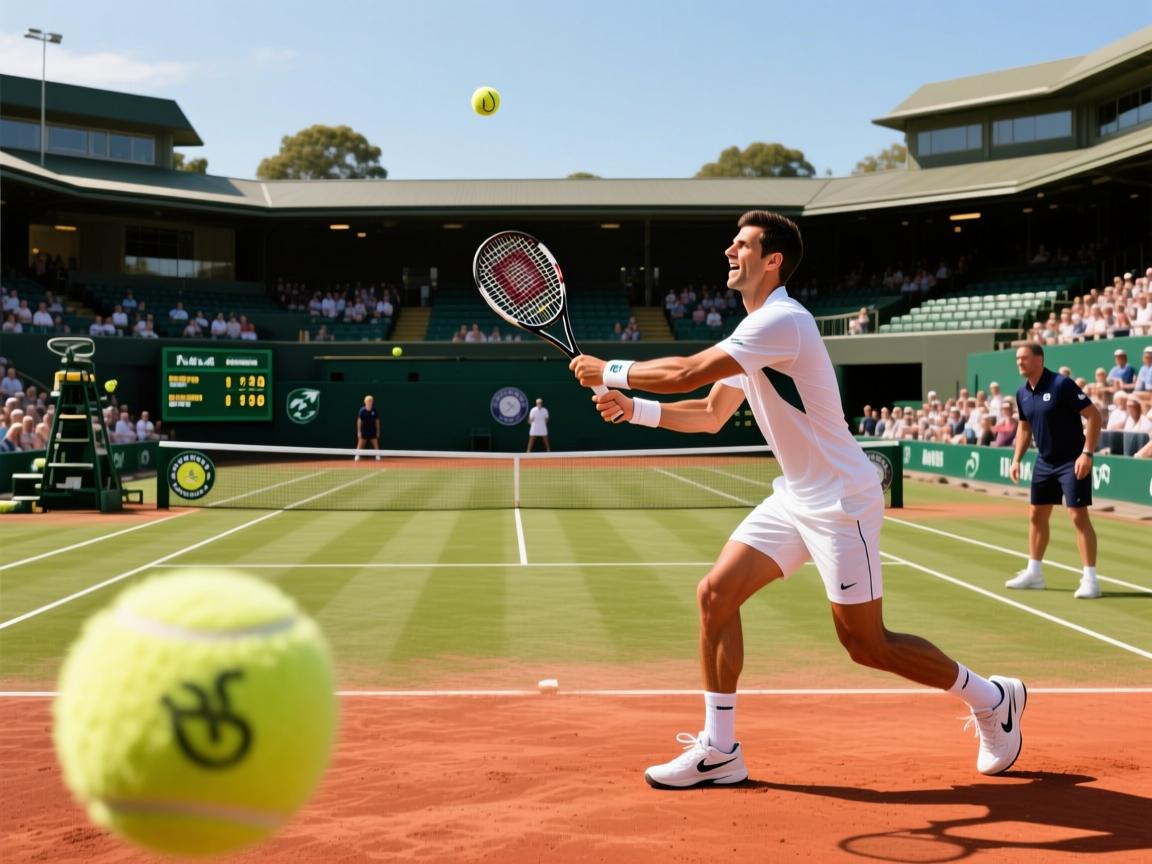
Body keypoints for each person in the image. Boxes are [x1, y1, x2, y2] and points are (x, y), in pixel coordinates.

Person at [569, 210, 1024, 788]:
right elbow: (711, 414)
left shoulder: (782, 321)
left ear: (772, 259)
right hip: (797, 496)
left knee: (866, 644)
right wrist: (633, 408)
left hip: (841, 502)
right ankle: (720, 748)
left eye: (742, 245)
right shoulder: (755, 330)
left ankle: (991, 697)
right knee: (715, 594)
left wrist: (612, 371)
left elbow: (686, 372)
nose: (729, 253)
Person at [1005, 343, 1102, 600]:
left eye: (1024, 358)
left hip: (1072, 460)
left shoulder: (1061, 384)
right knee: (1036, 514)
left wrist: (1087, 453)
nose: (1019, 362)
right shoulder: (1022, 393)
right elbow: (1024, 429)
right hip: (1044, 461)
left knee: (1077, 516)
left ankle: (1091, 579)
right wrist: (1016, 459)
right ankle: (1034, 572)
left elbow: (1094, 416)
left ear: (1039, 360)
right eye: (1017, 359)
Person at [354, 395, 381, 461]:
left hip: (372, 430)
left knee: (375, 444)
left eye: (371, 401)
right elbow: (359, 421)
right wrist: (359, 431)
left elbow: (377, 421)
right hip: (364, 430)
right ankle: (357, 455)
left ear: (372, 402)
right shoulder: (362, 410)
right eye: (368, 401)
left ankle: (378, 455)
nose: (369, 402)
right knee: (360, 444)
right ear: (365, 402)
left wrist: (378, 431)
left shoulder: (374, 410)